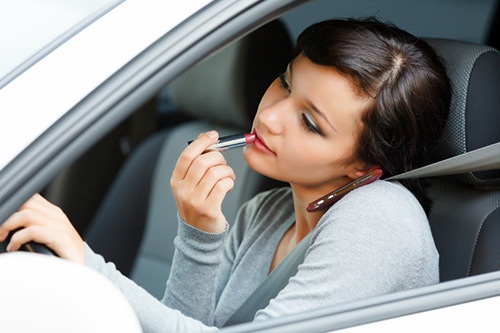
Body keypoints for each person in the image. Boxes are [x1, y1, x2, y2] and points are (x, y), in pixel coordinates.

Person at [0, 18, 451, 332]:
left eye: (311, 123)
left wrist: (85, 263)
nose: (271, 116)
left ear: (365, 167)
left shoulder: (381, 219)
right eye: (286, 84)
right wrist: (199, 230)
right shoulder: (267, 212)